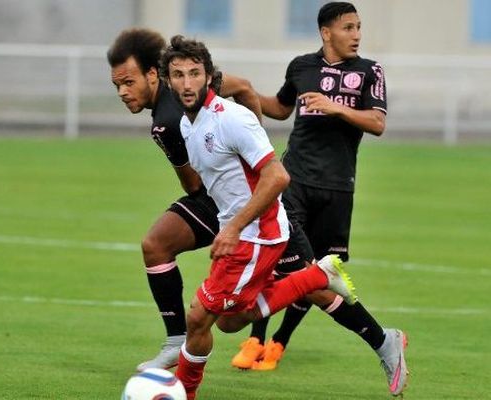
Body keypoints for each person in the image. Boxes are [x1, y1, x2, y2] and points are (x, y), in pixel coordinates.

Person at [161, 34, 356, 400]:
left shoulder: (231, 119)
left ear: (209, 77)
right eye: (178, 75)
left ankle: (183, 393)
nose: (187, 83)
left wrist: (233, 228)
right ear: (167, 80)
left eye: (194, 73)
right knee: (233, 320)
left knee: (198, 317)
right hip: (245, 232)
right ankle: (318, 274)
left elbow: (278, 177)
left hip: (255, 236)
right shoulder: (188, 125)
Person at [231, 2, 408, 396]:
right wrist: (244, 93)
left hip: (338, 188)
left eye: (359, 27)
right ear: (326, 33)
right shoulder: (300, 66)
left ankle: (279, 341)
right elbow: (279, 109)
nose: (357, 34)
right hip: (293, 182)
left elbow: (377, 123)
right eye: (349, 27)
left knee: (318, 274)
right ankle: (258, 340)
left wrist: (336, 107)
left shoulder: (368, 71)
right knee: (289, 263)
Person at [107, 28, 295, 371]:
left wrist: (252, 158)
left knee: (158, 248)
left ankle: (177, 345)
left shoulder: (167, 123)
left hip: (231, 204)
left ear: (153, 75)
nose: (122, 91)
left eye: (129, 82)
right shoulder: (196, 91)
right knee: (231, 314)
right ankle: (355, 311)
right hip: (242, 197)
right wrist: (255, 147)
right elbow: (244, 87)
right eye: (117, 85)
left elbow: (194, 184)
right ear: (168, 76)